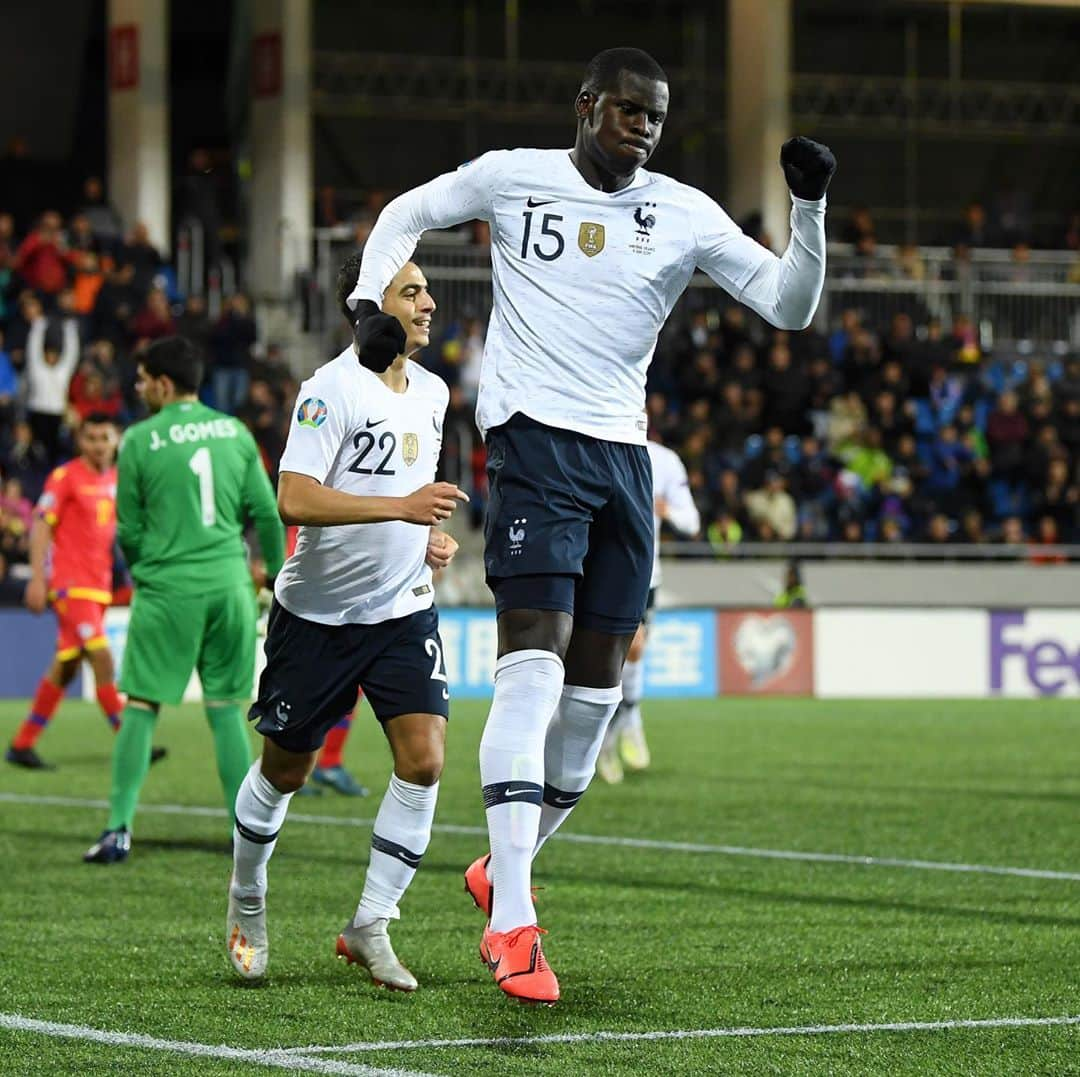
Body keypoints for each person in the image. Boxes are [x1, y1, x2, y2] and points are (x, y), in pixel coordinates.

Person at [347, 47, 834, 1003]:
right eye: (625, 111)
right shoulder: (513, 176)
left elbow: (789, 306)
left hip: (626, 461)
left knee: (594, 706)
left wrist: (808, 213)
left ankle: (503, 866)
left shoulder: (683, 211)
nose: (642, 128)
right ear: (585, 107)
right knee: (532, 668)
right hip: (533, 446)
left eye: (654, 116)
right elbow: (408, 210)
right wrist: (370, 303)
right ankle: (515, 922)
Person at [225, 258, 466, 990]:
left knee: (424, 759)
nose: (428, 302)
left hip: (401, 609)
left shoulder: (433, 390)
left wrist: (424, 538)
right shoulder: (330, 387)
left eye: (426, 290)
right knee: (285, 769)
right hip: (318, 617)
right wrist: (401, 509)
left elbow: (404, 489)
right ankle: (247, 899)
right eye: (411, 291)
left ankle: (371, 922)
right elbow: (292, 496)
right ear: (374, 309)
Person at [83, 336, 285, 864]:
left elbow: (128, 528)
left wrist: (149, 570)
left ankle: (117, 828)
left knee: (144, 705)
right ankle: (244, 833)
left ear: (164, 384)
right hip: (229, 588)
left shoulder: (140, 439)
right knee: (224, 709)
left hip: (169, 589)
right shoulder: (236, 432)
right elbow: (267, 514)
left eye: (144, 378)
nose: (138, 386)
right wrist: (277, 577)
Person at [4, 414, 164, 770]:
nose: (98, 445)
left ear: (115, 440)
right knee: (102, 659)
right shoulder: (65, 478)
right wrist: (37, 578)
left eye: (104, 438)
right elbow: (42, 526)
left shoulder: (116, 479)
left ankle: (22, 743)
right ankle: (131, 741)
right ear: (80, 441)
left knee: (66, 667)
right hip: (71, 586)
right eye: (91, 438)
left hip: (99, 587)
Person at [596, 434, 700, 784]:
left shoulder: (665, 461)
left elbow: (692, 522)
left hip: (644, 573)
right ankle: (618, 730)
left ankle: (620, 729)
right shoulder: (593, 447)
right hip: (597, 567)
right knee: (611, 659)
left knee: (633, 651)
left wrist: (667, 510)